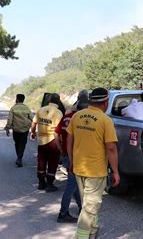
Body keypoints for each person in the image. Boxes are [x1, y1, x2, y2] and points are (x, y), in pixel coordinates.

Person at [67, 87, 120, 239]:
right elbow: (111, 148)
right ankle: (81, 236)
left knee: (88, 205)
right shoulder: (105, 120)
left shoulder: (77, 116)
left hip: (79, 168)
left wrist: (71, 161)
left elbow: (70, 140)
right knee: (90, 208)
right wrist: (115, 171)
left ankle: (93, 231)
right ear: (105, 102)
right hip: (95, 172)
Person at [55, 91, 89, 223]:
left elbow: (56, 134)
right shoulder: (78, 119)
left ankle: (81, 208)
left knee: (75, 184)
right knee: (71, 185)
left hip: (66, 155)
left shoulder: (66, 117)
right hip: (75, 157)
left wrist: (60, 149)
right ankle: (63, 213)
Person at [31, 93, 63, 192]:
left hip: (41, 141)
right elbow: (59, 129)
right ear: (58, 101)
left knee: (41, 161)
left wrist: (33, 132)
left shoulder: (40, 110)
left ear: (48, 100)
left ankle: (41, 183)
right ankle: (50, 184)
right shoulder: (58, 113)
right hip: (53, 140)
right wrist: (61, 144)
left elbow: (34, 123)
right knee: (53, 162)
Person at [4, 94, 33, 167]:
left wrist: (7, 128)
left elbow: (10, 120)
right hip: (25, 129)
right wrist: (32, 128)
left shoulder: (13, 108)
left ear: (17, 99)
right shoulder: (27, 108)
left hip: (16, 129)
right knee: (22, 144)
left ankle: (19, 158)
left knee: (17, 143)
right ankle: (19, 158)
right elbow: (32, 118)